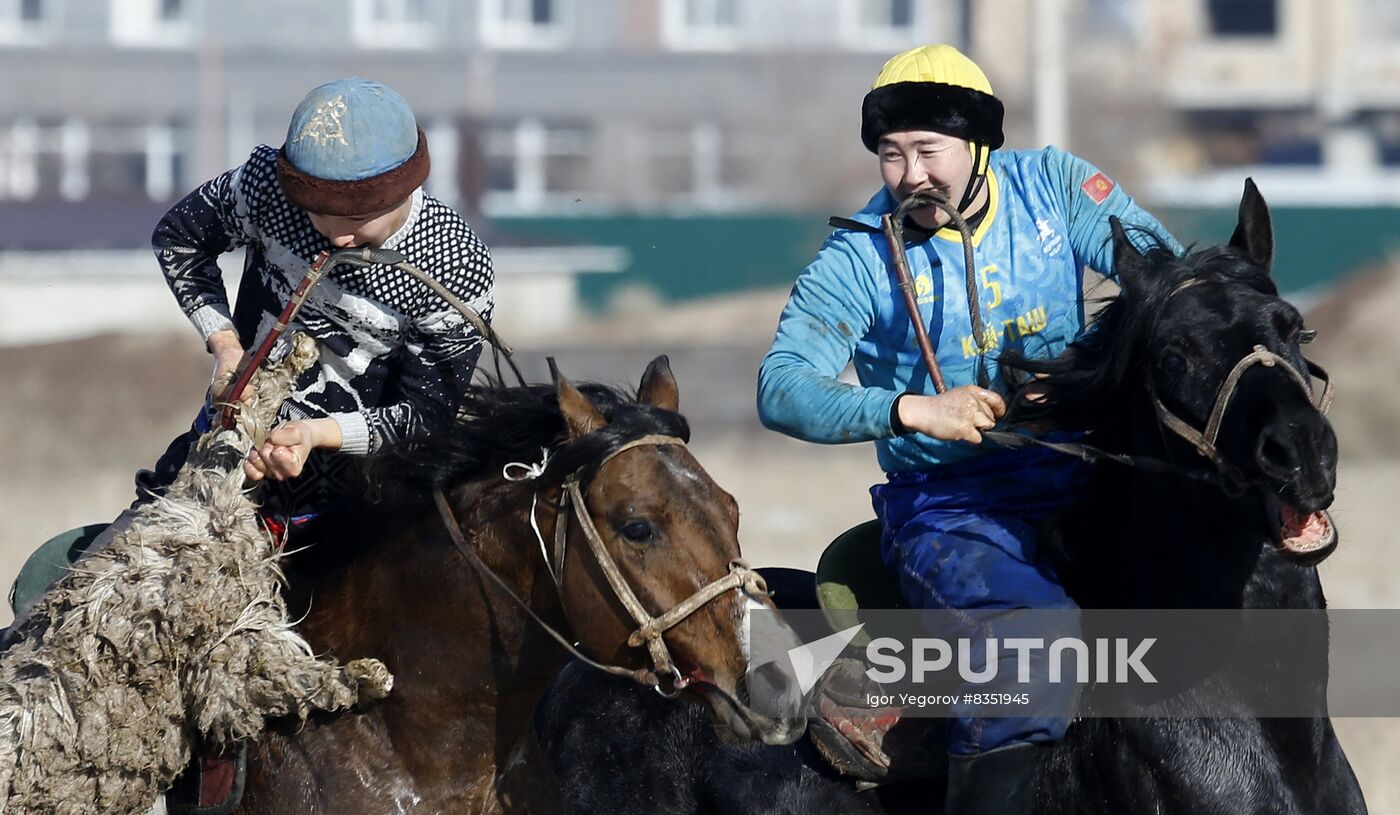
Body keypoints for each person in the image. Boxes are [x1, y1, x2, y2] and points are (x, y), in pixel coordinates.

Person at [756, 45, 1180, 813]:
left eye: (929, 150)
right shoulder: (856, 254)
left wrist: (1084, 365)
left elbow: (1168, 276)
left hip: (1087, 475)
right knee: (1031, 652)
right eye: (891, 153)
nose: (912, 174)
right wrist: (909, 408)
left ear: (979, 144)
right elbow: (780, 387)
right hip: (948, 510)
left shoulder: (1054, 186)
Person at [11, 77, 494, 618]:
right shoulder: (265, 185)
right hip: (223, 446)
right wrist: (225, 347)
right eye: (318, 215)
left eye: (358, 222)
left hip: (360, 502)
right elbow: (179, 238)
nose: (336, 238)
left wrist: (315, 435)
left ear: (404, 191)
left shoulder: (457, 266)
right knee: (78, 609)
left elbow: (426, 418)